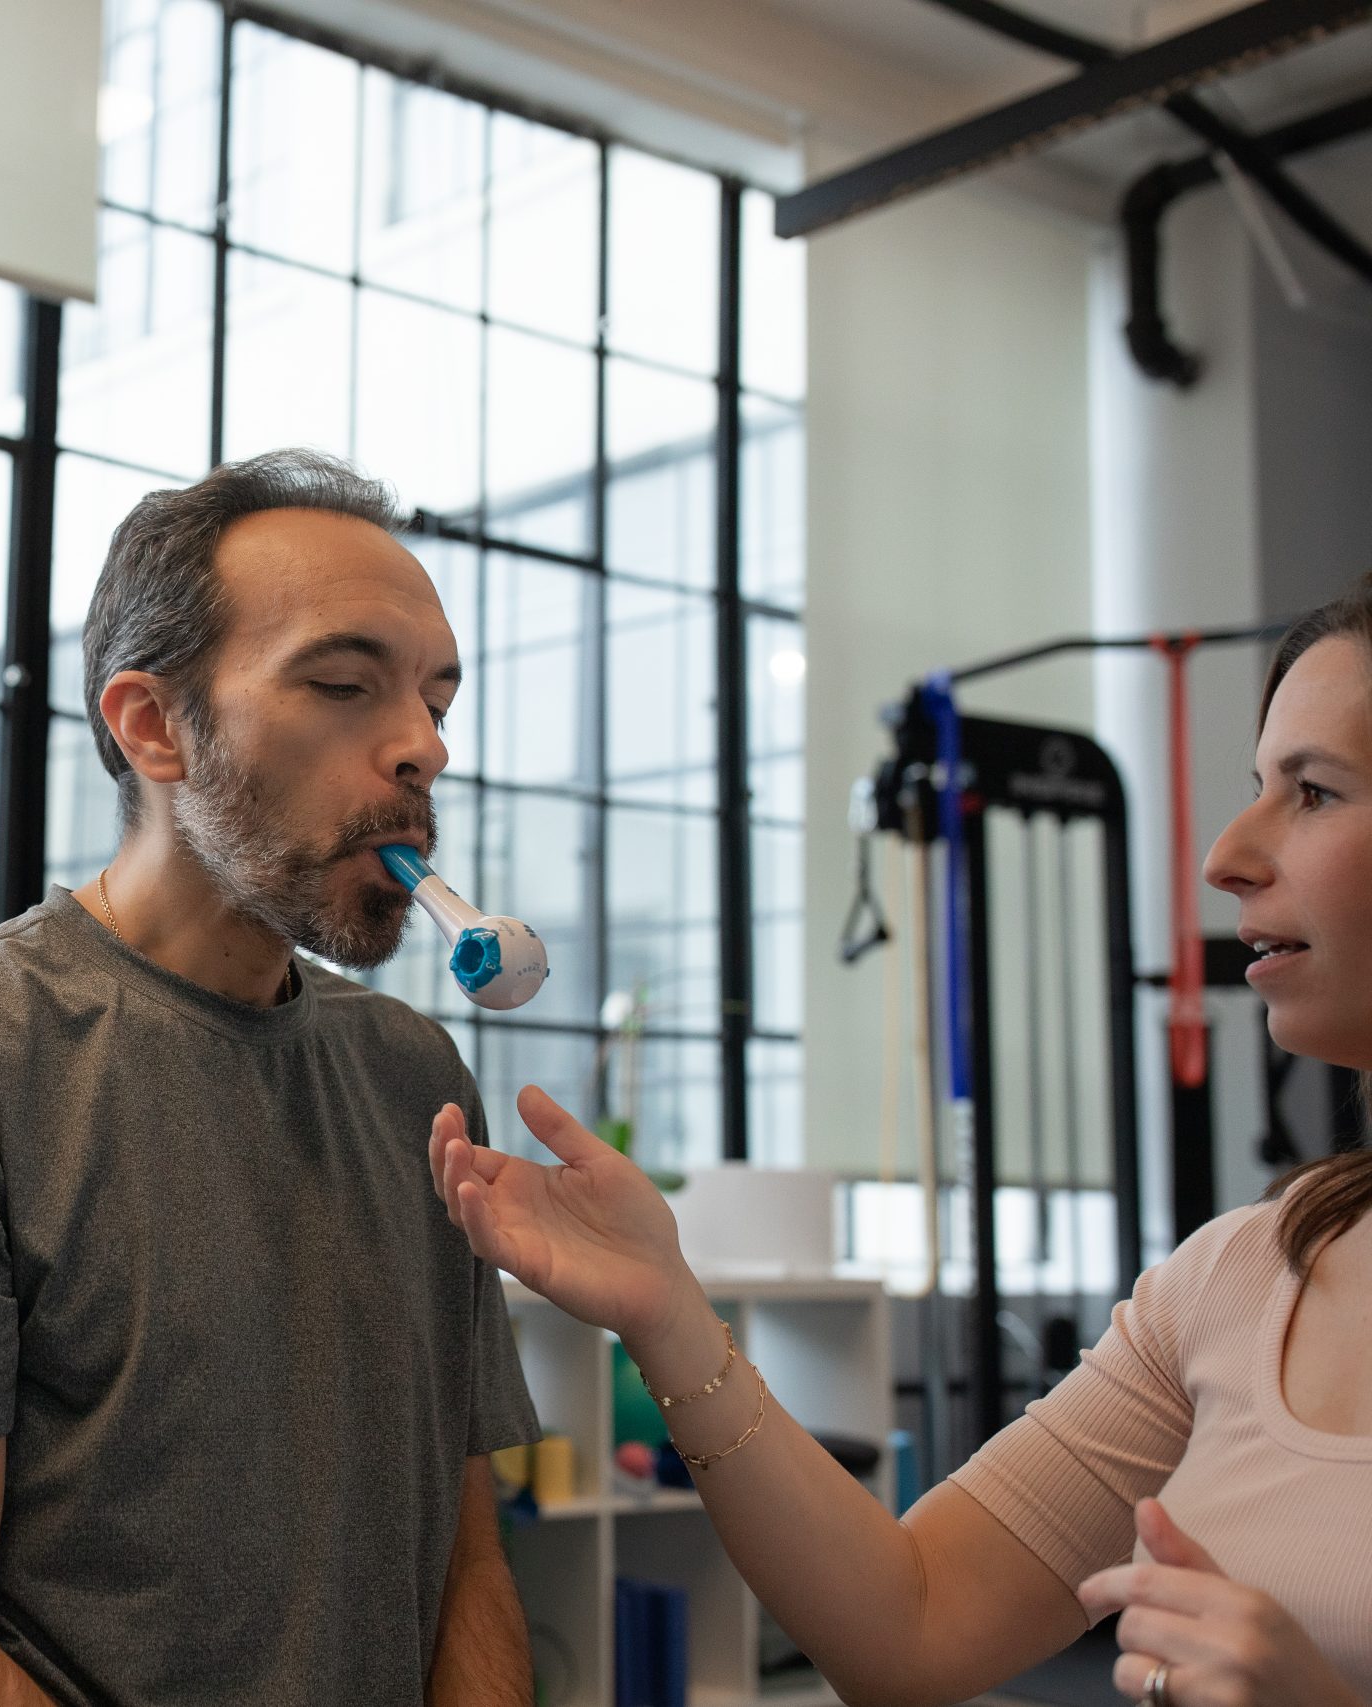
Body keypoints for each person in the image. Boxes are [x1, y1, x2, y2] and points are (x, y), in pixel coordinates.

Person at [431, 577, 1372, 1707]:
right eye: (1256, 788)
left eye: (1313, 793)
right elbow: (911, 1622)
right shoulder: (1235, 1281)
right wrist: (667, 1312)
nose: (1225, 854)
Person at [0, 449, 538, 1707]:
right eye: (344, 686)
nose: (420, 752)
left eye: (436, 703)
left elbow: (464, 1561)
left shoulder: (414, 1074)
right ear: (152, 726)